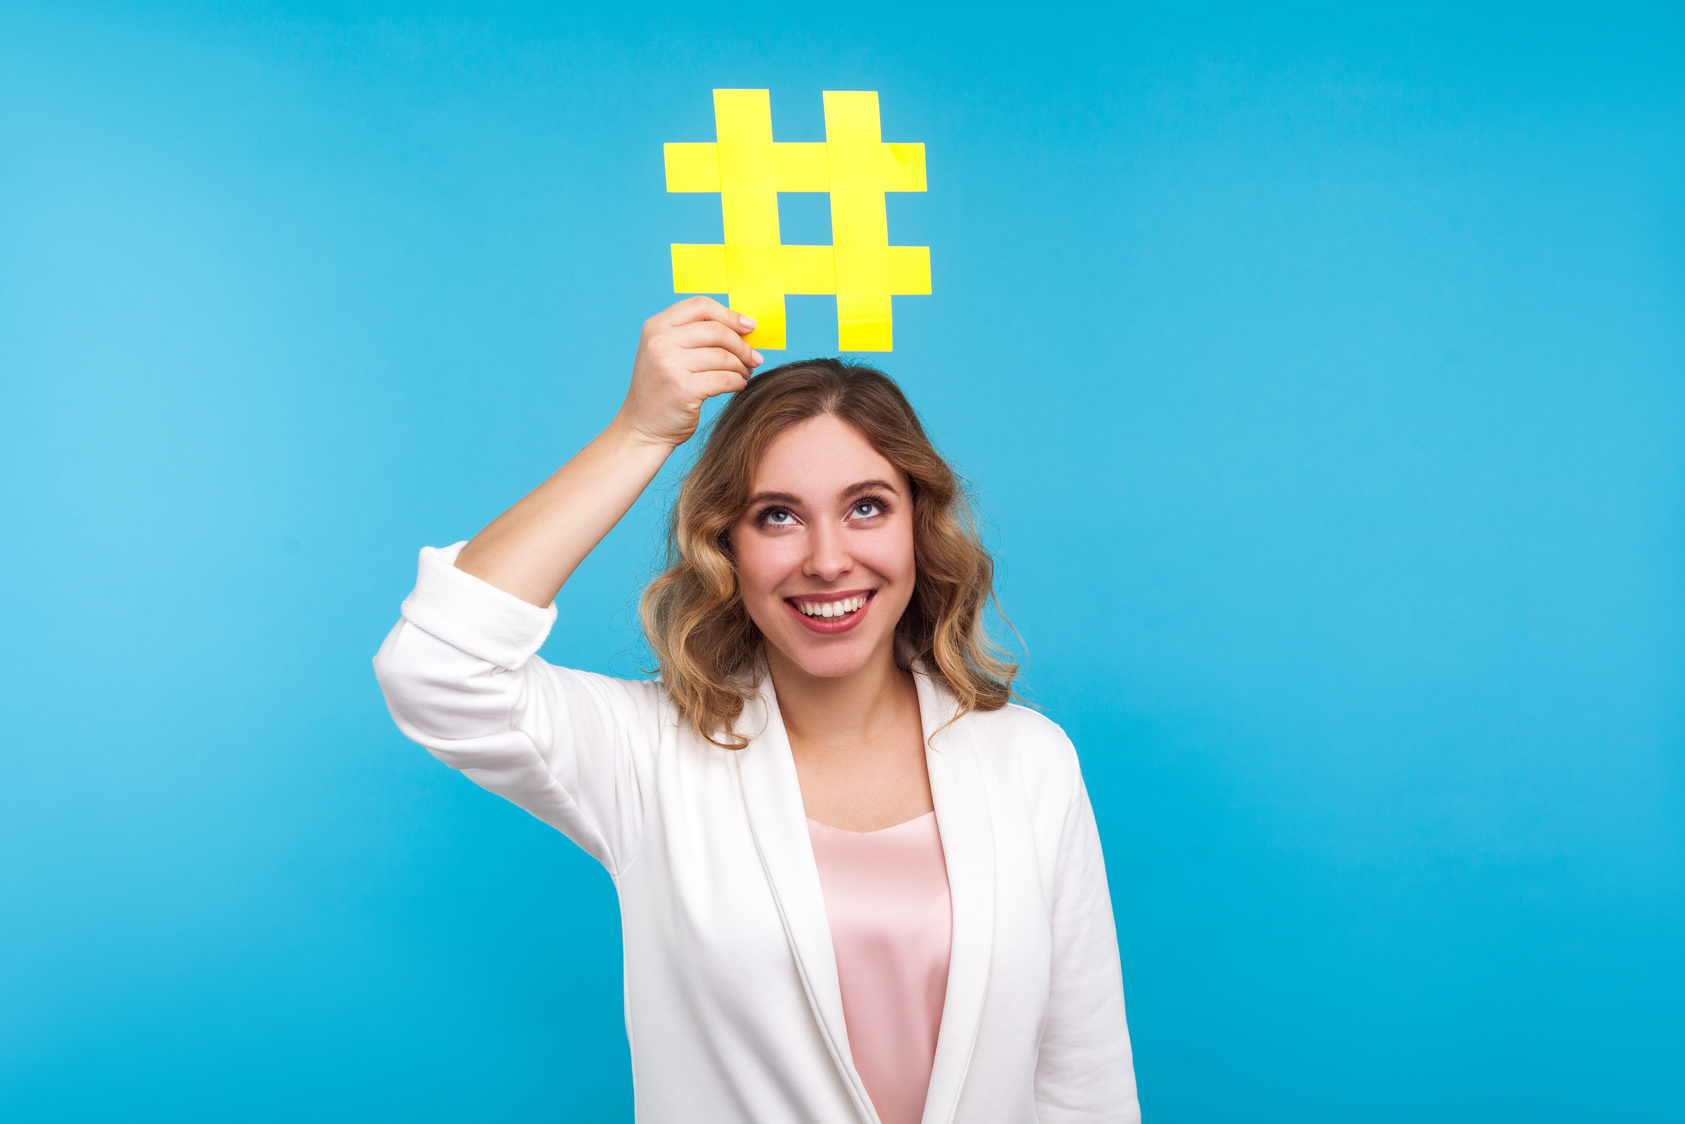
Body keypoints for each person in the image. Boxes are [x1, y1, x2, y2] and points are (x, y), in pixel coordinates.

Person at [373, 297, 1140, 1123]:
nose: (826, 559)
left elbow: (1082, 1081)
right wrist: (638, 434)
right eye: (777, 515)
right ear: (724, 544)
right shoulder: (648, 755)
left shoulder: (1027, 759)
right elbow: (437, 665)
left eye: (866, 506)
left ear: (919, 524)